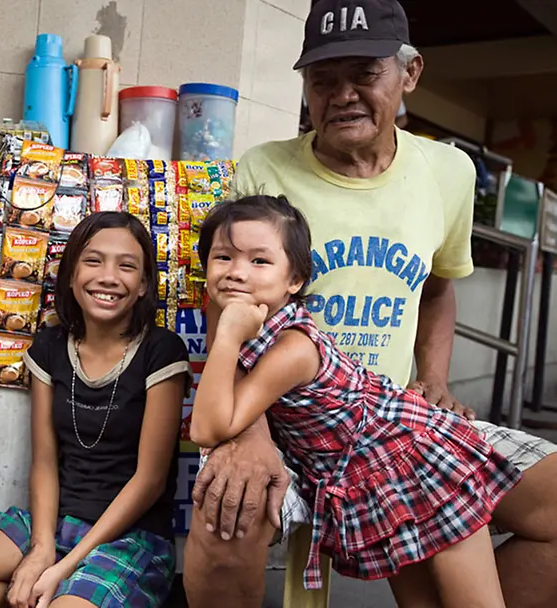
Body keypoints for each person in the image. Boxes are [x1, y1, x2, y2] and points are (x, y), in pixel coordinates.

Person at [183, 1, 557, 606]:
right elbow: (225, 299)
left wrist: (434, 376)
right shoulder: (263, 169)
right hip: (284, 423)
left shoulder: (448, 171)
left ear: (409, 74)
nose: (344, 94)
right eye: (323, 79)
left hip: (399, 420)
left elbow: (438, 286)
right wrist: (249, 432)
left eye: (365, 73)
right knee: (228, 513)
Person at [191, 195, 520, 606]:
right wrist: (226, 329)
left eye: (259, 261)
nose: (237, 272)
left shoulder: (293, 348)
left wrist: (225, 335)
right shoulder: (243, 319)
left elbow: (207, 427)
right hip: (369, 470)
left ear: (294, 280)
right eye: (223, 257)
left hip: (414, 456)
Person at [0, 212, 192, 608]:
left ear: (143, 286)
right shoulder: (50, 348)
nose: (108, 276)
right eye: (93, 260)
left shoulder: (161, 352)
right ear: (70, 275)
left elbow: (149, 482)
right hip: (50, 525)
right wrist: (41, 549)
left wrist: (62, 570)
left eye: (127, 266)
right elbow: (45, 463)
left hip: (128, 538)